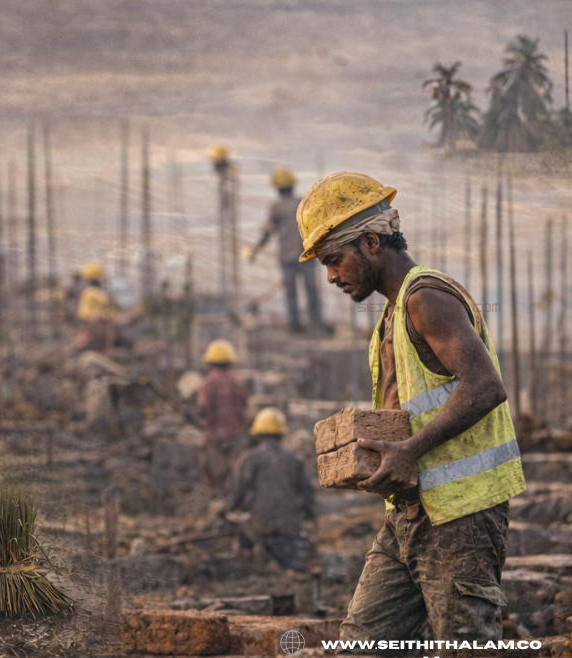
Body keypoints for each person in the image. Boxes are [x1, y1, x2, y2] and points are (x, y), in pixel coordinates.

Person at [299, 171, 524, 648]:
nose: (332, 277)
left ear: (372, 242)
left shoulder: (425, 298)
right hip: (410, 511)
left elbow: (485, 386)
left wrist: (409, 451)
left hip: (460, 517)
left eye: (335, 261)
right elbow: (414, 409)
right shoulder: (392, 312)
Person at [223, 407, 315, 572]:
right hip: (288, 529)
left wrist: (227, 509)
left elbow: (239, 491)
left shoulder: (250, 458)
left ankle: (255, 556)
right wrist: (310, 517)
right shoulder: (295, 461)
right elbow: (307, 496)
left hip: (259, 527)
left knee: (243, 549)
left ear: (258, 433)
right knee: (295, 570)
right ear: (282, 433)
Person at [250, 167, 332, 335]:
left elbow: (267, 232)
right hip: (306, 255)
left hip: (287, 257)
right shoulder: (303, 203)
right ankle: (316, 324)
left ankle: (295, 326)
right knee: (311, 291)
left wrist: (256, 250)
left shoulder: (276, 208)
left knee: (291, 293)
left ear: (278, 189)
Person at [197, 339, 248, 489]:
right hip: (238, 437)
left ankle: (219, 502)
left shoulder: (207, 383)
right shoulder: (238, 382)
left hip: (215, 438)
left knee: (216, 476)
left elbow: (202, 409)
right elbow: (244, 406)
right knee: (237, 475)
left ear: (210, 362)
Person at [74, 262, 125, 354]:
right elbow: (109, 311)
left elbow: (83, 312)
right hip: (96, 323)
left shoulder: (88, 292)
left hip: (89, 321)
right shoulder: (99, 294)